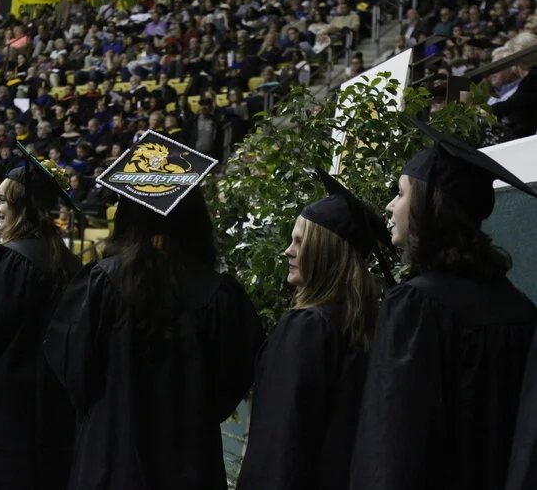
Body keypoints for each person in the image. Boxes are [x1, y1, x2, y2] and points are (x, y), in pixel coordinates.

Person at [44, 132, 265, 489]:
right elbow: (234, 379)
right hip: (189, 460)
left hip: (111, 457)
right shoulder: (219, 294)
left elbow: (73, 368)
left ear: (127, 216)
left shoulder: (101, 283)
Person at [350, 117, 537, 490]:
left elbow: (392, 448)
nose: (389, 206)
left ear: (428, 205)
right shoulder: (522, 311)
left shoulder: (416, 305)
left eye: (400, 193)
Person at [237, 170, 394, 490]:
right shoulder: (364, 328)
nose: (288, 251)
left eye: (299, 241)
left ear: (325, 251)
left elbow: (281, 444)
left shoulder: (308, 328)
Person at [0, 154, 81, 489]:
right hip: (52, 415)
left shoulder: (8, 260)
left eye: (3, 200)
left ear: (25, 206)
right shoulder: (69, 263)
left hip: (2, 416)